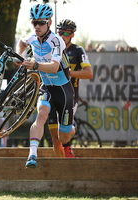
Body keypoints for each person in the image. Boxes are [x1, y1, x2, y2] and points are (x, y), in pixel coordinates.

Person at [15, 4, 75, 168]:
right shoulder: (33, 37)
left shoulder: (56, 40)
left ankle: (72, 127)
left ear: (49, 22)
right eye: (34, 23)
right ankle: (32, 155)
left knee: (64, 138)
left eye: (41, 23)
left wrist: (34, 65)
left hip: (64, 90)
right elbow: (21, 43)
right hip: (46, 86)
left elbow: (54, 67)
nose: (37, 26)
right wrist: (19, 55)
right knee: (41, 114)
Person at [48, 19, 93, 158]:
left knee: (63, 136)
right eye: (60, 32)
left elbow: (89, 73)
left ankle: (70, 136)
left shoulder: (78, 50)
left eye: (66, 33)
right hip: (52, 94)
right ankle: (62, 170)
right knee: (55, 138)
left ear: (72, 34)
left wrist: (67, 72)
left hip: (70, 96)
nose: (62, 35)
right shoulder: (51, 49)